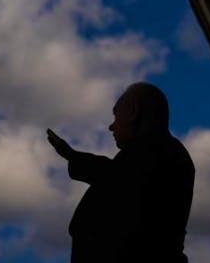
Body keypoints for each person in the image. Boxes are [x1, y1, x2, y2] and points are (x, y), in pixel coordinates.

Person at [46, 82, 195, 263]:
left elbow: (114, 175)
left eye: (116, 116)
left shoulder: (160, 153)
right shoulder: (150, 155)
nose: (111, 126)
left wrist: (73, 156)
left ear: (133, 111)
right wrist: (72, 156)